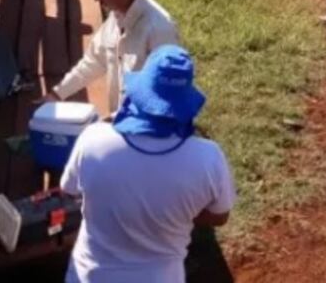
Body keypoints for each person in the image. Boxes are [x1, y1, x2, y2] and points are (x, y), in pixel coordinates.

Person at [60, 45, 236, 283]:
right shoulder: (208, 158)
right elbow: (220, 216)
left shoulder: (93, 139)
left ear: (139, 92)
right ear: (185, 102)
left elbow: (69, 189)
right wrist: (173, 215)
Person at [44, 0, 179, 115]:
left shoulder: (160, 28)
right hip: (121, 120)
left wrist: (119, 119)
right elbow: (94, 61)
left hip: (147, 123)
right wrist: (57, 94)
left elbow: (164, 88)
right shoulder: (115, 18)